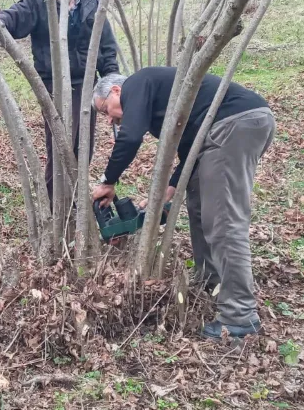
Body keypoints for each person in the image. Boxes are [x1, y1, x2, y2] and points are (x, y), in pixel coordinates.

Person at [89, 67, 275, 339]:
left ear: (116, 91)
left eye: (106, 111)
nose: (110, 121)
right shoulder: (160, 98)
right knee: (200, 209)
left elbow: (130, 137)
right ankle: (210, 279)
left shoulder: (137, 84)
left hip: (232, 124)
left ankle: (240, 316)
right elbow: (189, 145)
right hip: (221, 131)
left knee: (224, 222)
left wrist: (108, 180)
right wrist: (172, 187)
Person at [0, 0, 120, 203]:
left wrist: (112, 86)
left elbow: (107, 49)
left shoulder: (91, 4)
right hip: (54, 85)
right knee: (60, 148)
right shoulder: (37, 3)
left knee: (83, 148)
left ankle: (75, 204)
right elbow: (9, 19)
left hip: (86, 84)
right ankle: (57, 207)